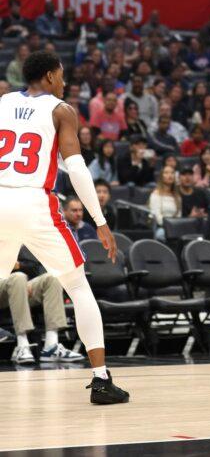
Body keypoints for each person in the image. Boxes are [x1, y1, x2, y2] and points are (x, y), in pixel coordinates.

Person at [0, 51, 128, 403]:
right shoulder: (61, 110)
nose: (65, 81)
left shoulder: (3, 102)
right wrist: (100, 222)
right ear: (51, 76)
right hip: (33, 202)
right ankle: (101, 380)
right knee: (77, 284)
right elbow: (78, 170)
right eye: (62, 75)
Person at [0, 267, 84, 364]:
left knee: (52, 277)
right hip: (7, 283)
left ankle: (51, 347)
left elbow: (34, 267)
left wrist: (21, 268)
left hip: (20, 283)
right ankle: (22, 346)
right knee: (17, 278)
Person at [148, 166, 181, 239]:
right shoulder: (156, 194)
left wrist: (176, 225)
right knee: (161, 234)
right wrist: (170, 226)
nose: (170, 175)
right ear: (161, 176)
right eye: (166, 173)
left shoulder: (177, 196)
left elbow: (179, 215)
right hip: (161, 227)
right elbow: (156, 215)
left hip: (175, 227)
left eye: (172, 173)